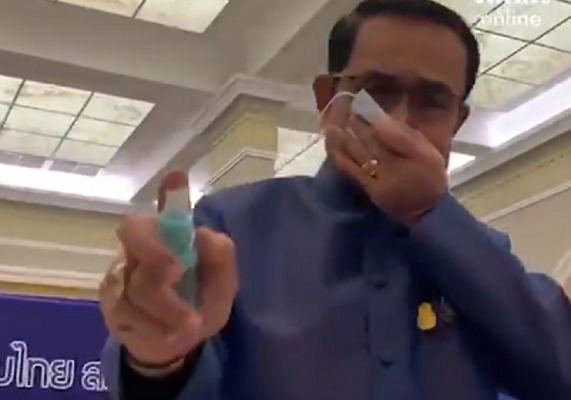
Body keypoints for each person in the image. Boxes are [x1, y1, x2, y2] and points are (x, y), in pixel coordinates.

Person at [98, 0, 571, 399]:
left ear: (457, 122)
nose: (397, 123)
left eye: (432, 102)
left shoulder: (484, 255)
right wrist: (159, 360)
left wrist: (430, 212)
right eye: (376, 92)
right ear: (328, 99)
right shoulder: (231, 226)